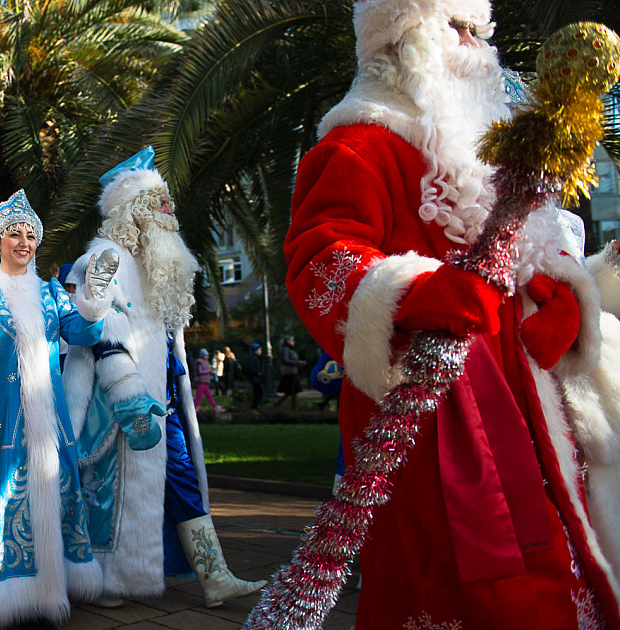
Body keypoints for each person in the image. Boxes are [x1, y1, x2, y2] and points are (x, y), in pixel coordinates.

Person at [284, 0, 620, 625]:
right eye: (458, 30)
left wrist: (565, 296)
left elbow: (530, 252)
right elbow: (319, 258)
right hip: (436, 412)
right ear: (405, 44)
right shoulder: (357, 144)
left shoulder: (492, 150)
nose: (476, 48)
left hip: (538, 408)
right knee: (469, 588)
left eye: (479, 32)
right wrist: (415, 292)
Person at [63, 147, 265, 608]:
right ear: (134, 210)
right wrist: (128, 393)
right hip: (115, 400)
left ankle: (214, 577)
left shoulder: (159, 262)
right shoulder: (104, 257)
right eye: (161, 202)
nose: (171, 212)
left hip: (166, 396)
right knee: (109, 490)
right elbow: (99, 332)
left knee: (180, 476)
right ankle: (104, 577)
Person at [0, 190, 113, 628]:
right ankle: (3, 587)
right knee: (3, 489)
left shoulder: (51, 293)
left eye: (31, 235)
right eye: (14, 234)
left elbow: (84, 334)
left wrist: (95, 298)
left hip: (51, 421)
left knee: (59, 487)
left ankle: (56, 581)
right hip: (1, 417)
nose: (24, 242)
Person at [271, 336, 306, 410]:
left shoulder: (289, 349)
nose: (294, 342)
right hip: (289, 373)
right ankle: (285, 406)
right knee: (291, 391)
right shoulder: (285, 349)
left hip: (293, 372)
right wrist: (298, 362)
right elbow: (286, 360)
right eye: (292, 341)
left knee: (293, 391)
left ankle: (291, 407)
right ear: (288, 341)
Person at [245, 344, 264, 412]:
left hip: (256, 378)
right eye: (259, 350)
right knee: (259, 393)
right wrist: (257, 372)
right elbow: (249, 366)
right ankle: (253, 407)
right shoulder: (254, 358)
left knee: (258, 393)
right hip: (255, 378)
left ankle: (254, 407)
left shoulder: (255, 358)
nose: (261, 351)